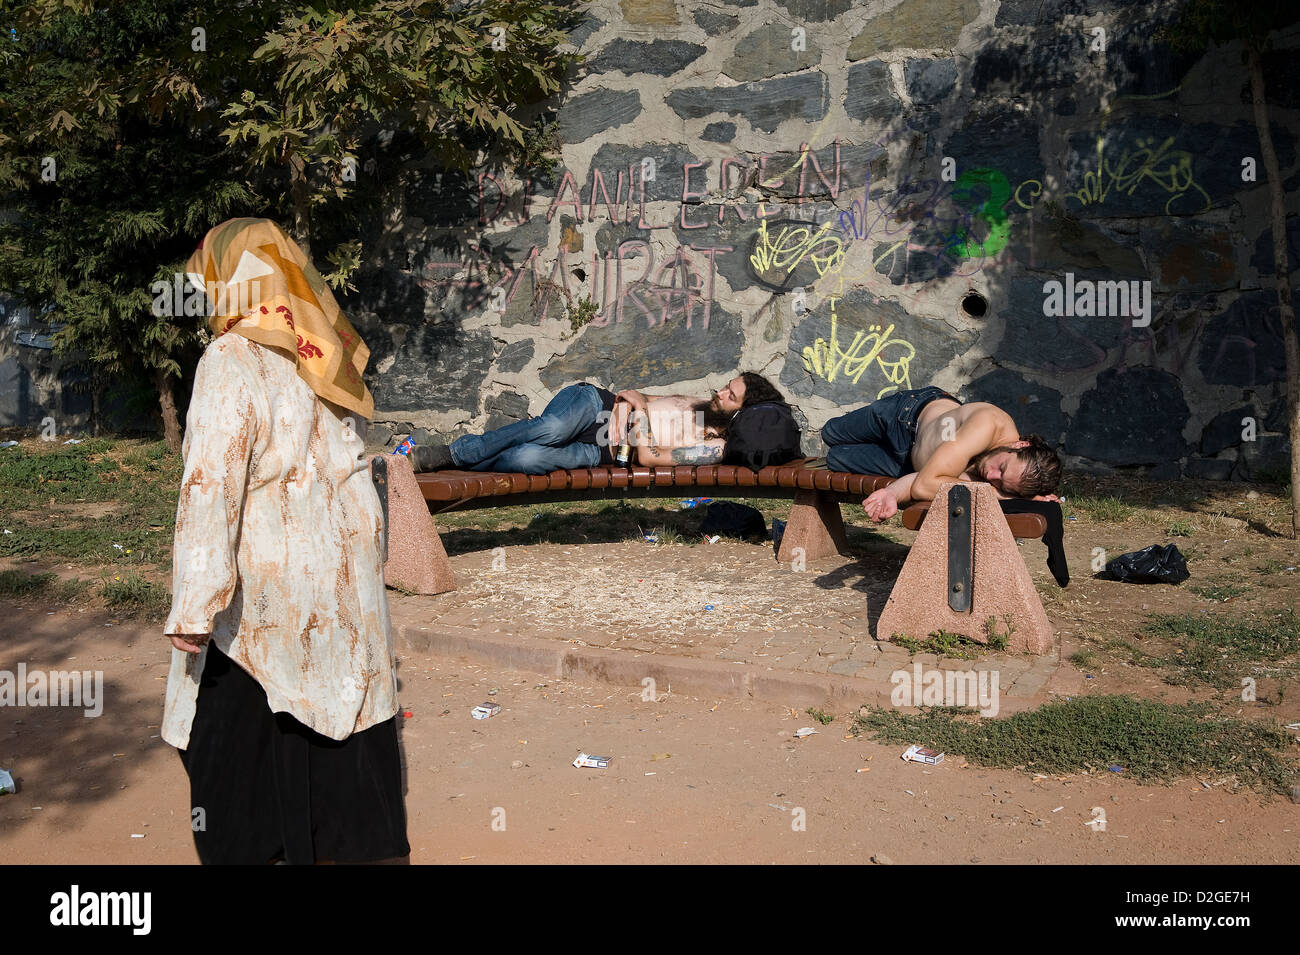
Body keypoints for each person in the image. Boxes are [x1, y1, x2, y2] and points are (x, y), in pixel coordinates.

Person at [162, 217, 409, 865]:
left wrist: (194, 604)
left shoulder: (229, 360)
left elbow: (210, 486)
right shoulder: (323, 359)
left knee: (236, 781)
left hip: (263, 610)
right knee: (344, 777)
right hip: (345, 606)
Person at [410, 372, 786, 473]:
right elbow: (642, 397)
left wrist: (638, 415)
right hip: (595, 405)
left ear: (741, 412)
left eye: (730, 395)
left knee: (525, 460)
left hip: (602, 452)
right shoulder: (701, 403)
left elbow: (652, 458)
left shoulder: (712, 448)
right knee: (553, 429)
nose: (719, 392)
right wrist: (632, 398)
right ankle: (454, 454)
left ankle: (464, 462)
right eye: (725, 387)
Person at [819, 385, 1062, 522]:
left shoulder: (993, 479)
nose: (991, 474)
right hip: (904, 416)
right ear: (1021, 445)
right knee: (830, 433)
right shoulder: (987, 425)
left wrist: (891, 492)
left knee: (835, 458)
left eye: (1003, 484)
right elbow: (925, 486)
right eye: (1002, 467)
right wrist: (1000, 495)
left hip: (903, 462)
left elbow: (923, 482)